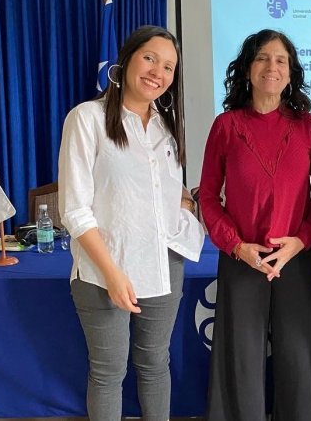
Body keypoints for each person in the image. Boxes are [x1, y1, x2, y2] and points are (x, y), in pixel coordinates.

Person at [58, 25, 204, 421]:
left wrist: (187, 207)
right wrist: (112, 274)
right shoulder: (87, 119)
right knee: (108, 372)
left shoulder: (166, 125)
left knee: (156, 363)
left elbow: (170, 189)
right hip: (105, 269)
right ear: (126, 60)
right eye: (151, 58)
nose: (159, 71)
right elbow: (74, 209)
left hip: (163, 263)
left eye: (169, 66)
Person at [199, 29, 311, 421]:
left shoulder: (307, 126)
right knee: (240, 360)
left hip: (296, 259)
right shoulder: (225, 125)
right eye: (262, 58)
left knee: (300, 357)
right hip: (242, 259)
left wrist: (301, 241)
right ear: (247, 69)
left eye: (280, 60)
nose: (271, 66)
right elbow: (208, 197)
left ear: (290, 73)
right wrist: (236, 245)